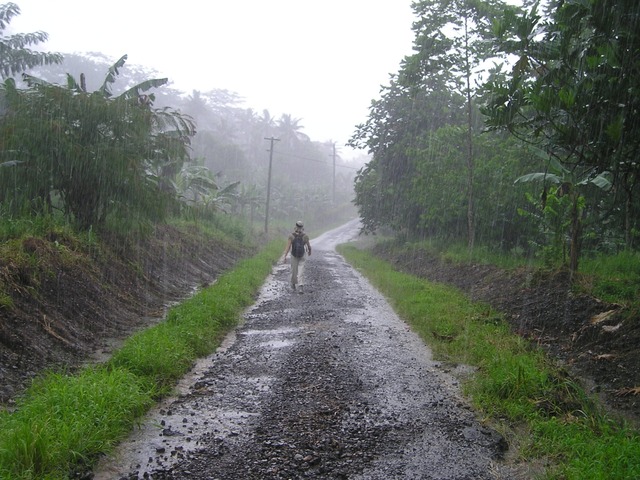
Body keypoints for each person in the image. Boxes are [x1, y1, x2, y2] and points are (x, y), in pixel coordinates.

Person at [283, 220, 311, 292]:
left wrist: (285, 256)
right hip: (302, 254)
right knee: (301, 270)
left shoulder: (291, 236)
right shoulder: (305, 236)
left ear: (296, 226)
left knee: (294, 270)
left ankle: (293, 284)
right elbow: (308, 246)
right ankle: (300, 286)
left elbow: (288, 246)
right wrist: (309, 251)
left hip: (294, 255)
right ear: (302, 227)